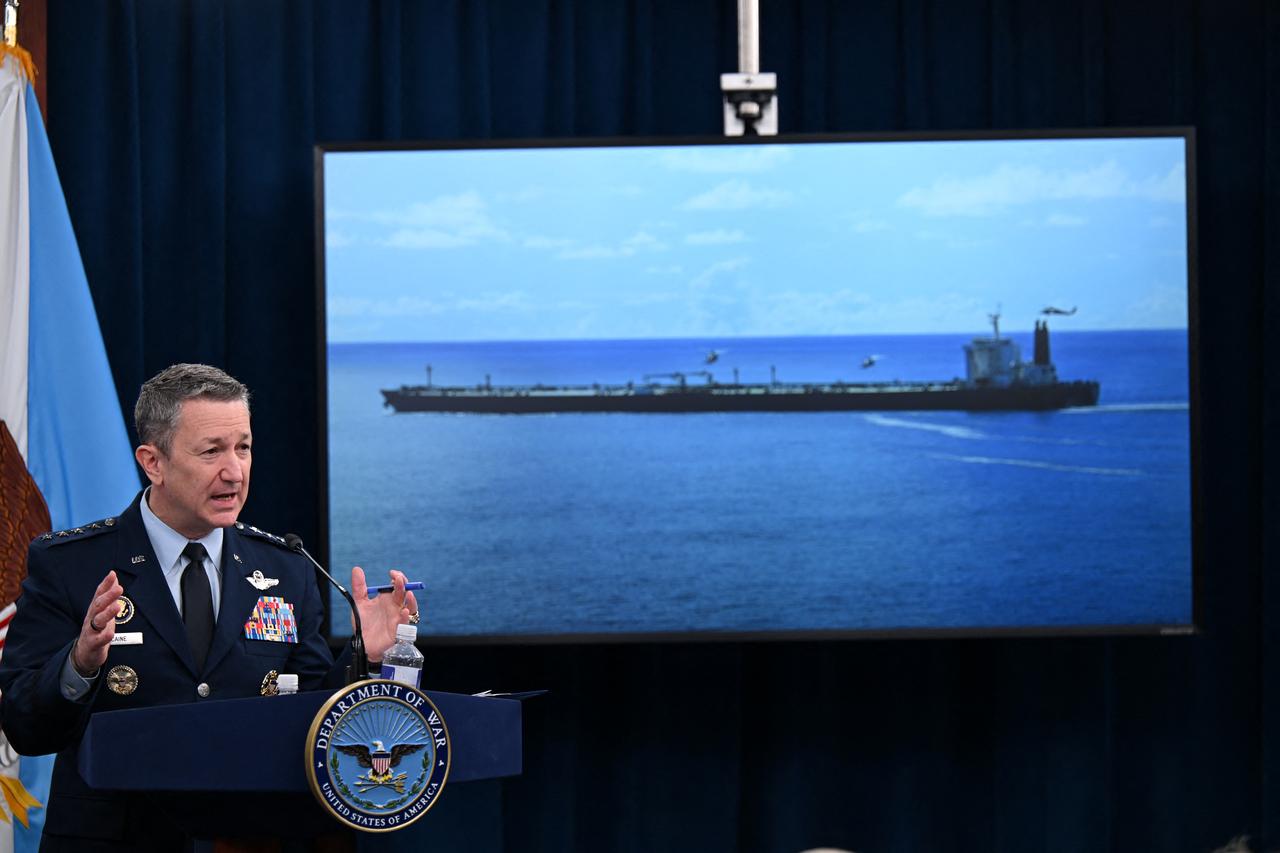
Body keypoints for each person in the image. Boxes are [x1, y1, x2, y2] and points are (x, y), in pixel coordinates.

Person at [0, 364, 419, 851]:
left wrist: (365, 656)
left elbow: (310, 717)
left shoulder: (286, 567)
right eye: (211, 451)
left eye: (243, 447)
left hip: (250, 839)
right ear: (152, 462)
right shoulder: (71, 564)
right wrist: (79, 664)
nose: (235, 471)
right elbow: (25, 728)